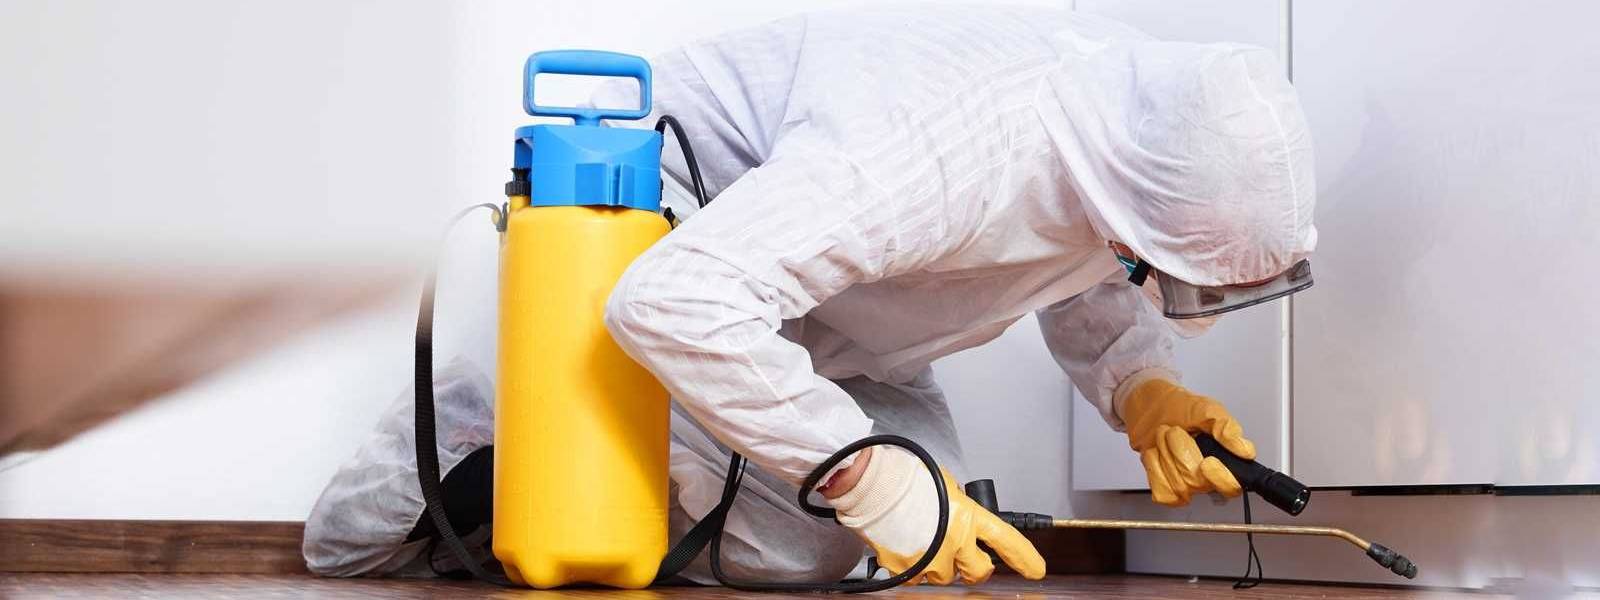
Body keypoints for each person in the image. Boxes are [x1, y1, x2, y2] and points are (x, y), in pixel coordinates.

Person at [303, 4, 1316, 586]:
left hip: (839, 297)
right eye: (1157, 266)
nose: (1149, 279)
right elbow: (676, 301)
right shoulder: (936, 149)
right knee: (858, 518)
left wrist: (1141, 387)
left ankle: (619, 466)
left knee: (850, 550)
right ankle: (506, 420)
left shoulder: (1123, 133)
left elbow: (1085, 244)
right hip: (675, 240)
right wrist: (870, 480)